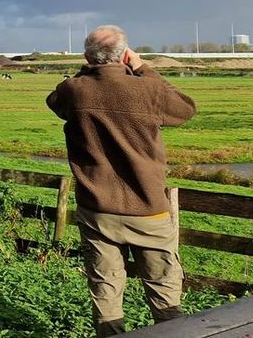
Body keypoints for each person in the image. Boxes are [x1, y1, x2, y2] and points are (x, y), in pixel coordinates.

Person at [46, 25, 196, 337]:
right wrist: (142, 68)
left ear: (88, 56)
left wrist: (88, 68)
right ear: (125, 55)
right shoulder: (148, 90)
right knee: (164, 292)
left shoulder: (75, 90)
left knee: (106, 292)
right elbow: (185, 109)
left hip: (98, 208)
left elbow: (55, 99)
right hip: (148, 209)